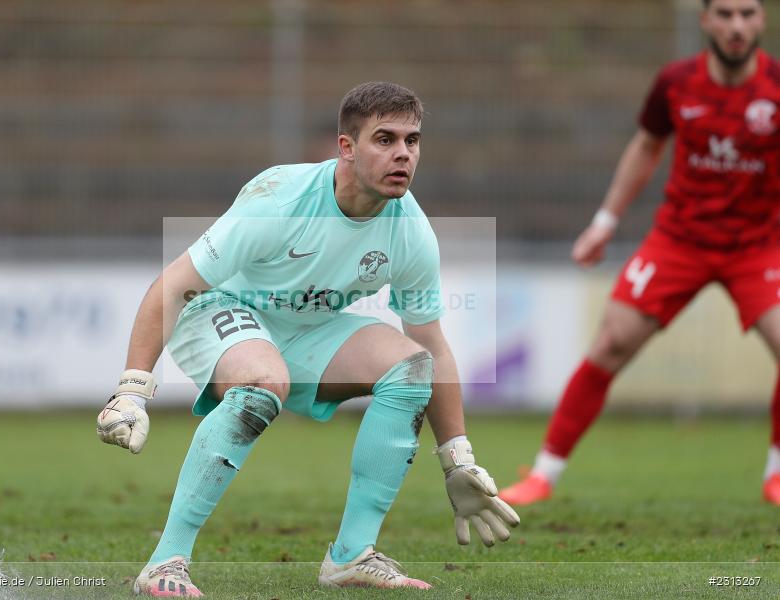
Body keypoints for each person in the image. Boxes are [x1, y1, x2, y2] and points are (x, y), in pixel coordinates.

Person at [96, 82, 520, 597]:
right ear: (346, 147)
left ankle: (351, 556)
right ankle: (165, 563)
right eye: (384, 139)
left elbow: (431, 342)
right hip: (220, 309)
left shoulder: (410, 229)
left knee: (412, 369)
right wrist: (134, 388)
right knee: (262, 382)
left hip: (307, 329)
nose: (402, 153)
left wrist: (458, 459)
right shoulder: (280, 200)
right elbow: (174, 284)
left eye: (412, 141)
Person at [500, 0, 780, 507]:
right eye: (725, 13)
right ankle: (542, 475)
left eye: (747, 13)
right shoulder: (676, 82)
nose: (737, 25)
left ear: (761, 19)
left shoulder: (777, 87)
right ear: (706, 20)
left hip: (758, 245)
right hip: (680, 240)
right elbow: (647, 146)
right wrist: (604, 223)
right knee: (611, 342)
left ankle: (776, 474)